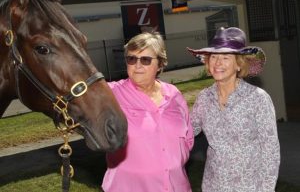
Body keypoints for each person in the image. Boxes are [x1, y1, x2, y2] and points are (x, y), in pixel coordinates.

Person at [187, 27, 280, 192]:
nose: (218, 63)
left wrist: (267, 188)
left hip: (250, 186)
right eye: (213, 57)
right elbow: (187, 131)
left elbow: (270, 150)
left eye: (225, 57)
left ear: (239, 64)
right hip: (213, 186)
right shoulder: (204, 98)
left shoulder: (258, 98)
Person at [101, 31, 194, 192]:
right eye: (131, 59)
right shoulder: (110, 94)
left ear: (160, 64)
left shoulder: (174, 94)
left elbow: (188, 138)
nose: (137, 65)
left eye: (145, 60)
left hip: (177, 186)